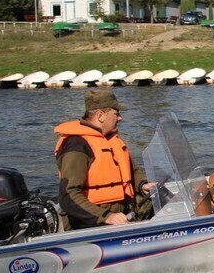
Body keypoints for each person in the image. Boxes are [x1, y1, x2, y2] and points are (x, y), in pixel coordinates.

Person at [54, 90, 154, 229]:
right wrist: (107, 216)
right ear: (100, 116)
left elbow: (132, 171)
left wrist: (142, 184)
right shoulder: (76, 145)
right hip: (91, 225)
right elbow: (68, 196)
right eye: (116, 113)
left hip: (124, 216)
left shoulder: (111, 139)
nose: (120, 118)